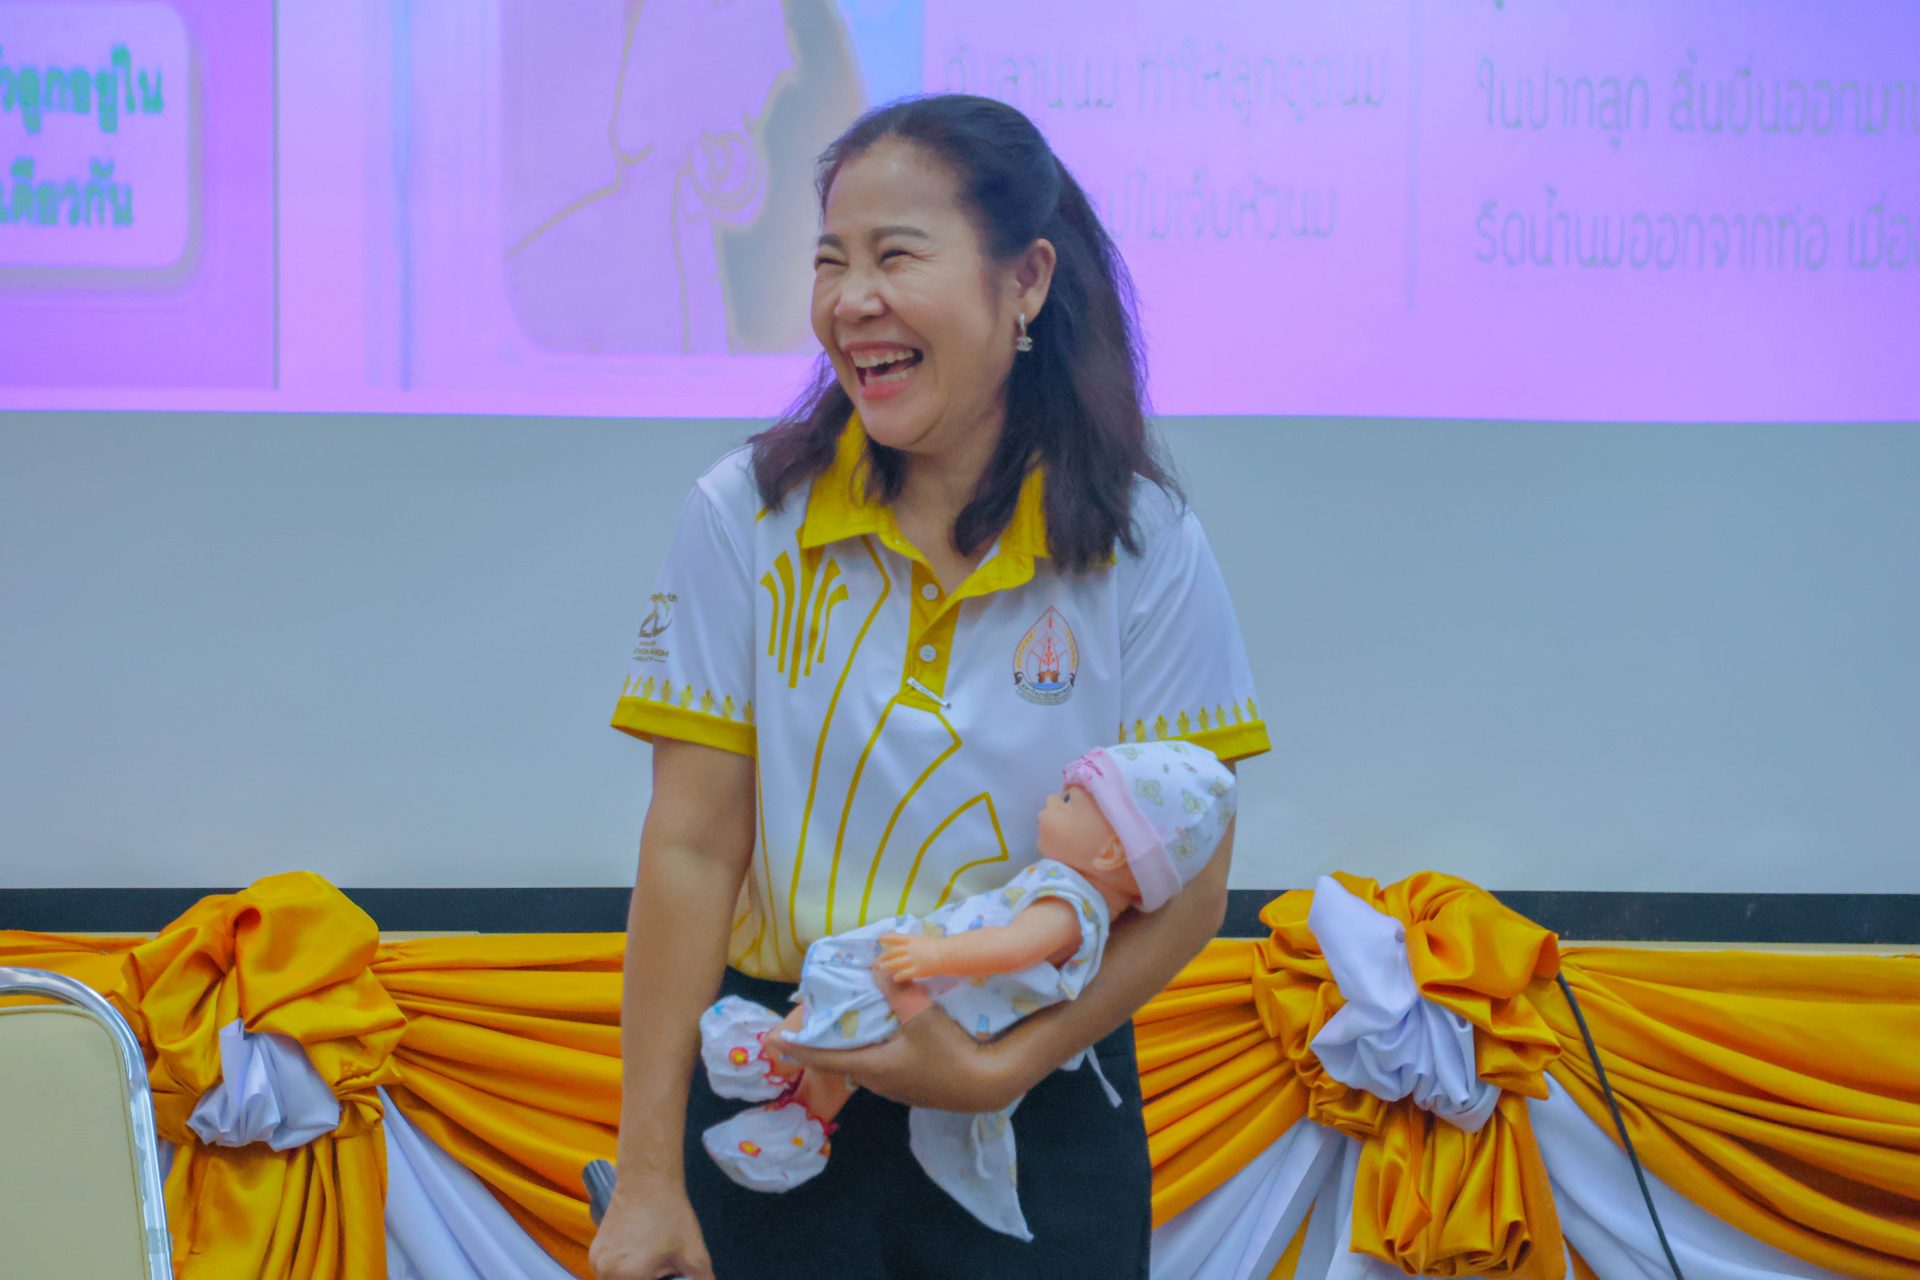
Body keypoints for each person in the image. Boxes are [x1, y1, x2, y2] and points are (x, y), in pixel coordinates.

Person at [591, 93, 1269, 1280]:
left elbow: (1194, 888)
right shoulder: (745, 515)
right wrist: (647, 1171)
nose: (852, 300)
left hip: (1042, 1094)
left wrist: (1000, 1065)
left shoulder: (1142, 541)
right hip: (785, 1079)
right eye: (830, 260)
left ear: (1026, 280)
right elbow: (691, 849)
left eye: (896, 255)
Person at [695, 740, 1236, 1243]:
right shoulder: (1075, 896)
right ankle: (800, 1115)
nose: (1051, 801)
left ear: (1112, 852)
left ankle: (775, 1060)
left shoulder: (1072, 907)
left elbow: (1012, 947)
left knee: (839, 1011)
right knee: (845, 1053)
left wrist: (934, 956)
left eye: (1069, 800)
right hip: (939, 992)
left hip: (939, 989)